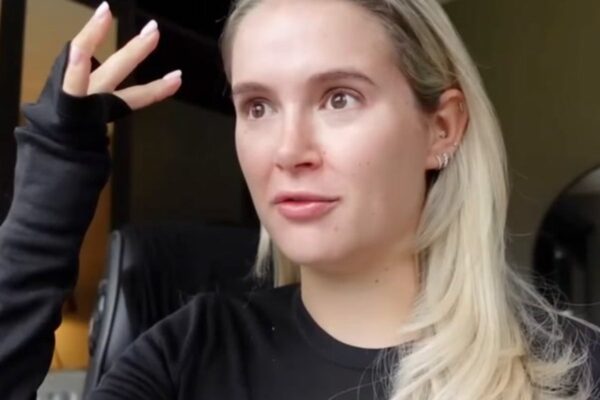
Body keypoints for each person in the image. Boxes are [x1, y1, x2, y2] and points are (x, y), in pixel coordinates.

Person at [0, 0, 598, 399]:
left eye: (339, 98)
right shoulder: (188, 356)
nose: (288, 151)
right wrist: (53, 182)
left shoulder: (574, 370)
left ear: (441, 128)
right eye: (258, 106)